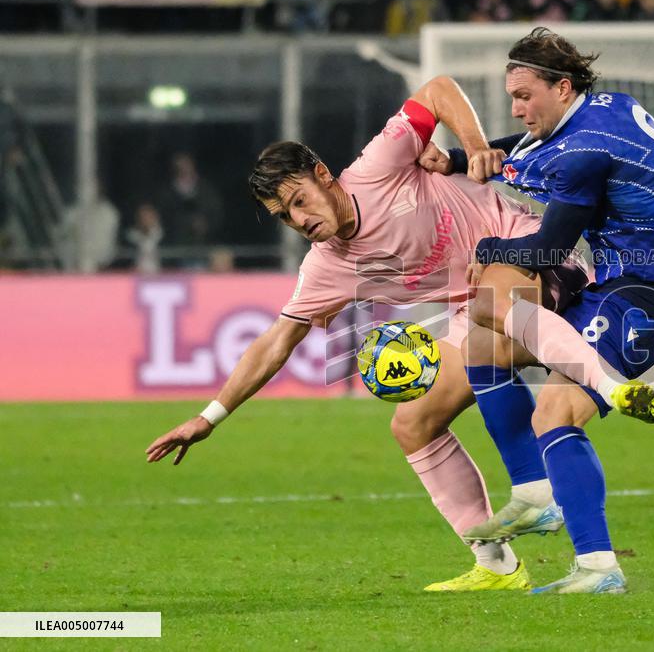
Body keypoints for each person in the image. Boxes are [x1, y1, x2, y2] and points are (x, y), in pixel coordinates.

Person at [144, 75, 594, 593]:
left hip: (535, 256)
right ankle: (496, 567)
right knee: (413, 424)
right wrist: (209, 417)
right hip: (480, 312)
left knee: (484, 328)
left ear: (321, 174)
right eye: (284, 217)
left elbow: (438, 89)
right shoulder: (326, 268)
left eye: (298, 201)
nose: (298, 220)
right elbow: (275, 342)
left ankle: (536, 490)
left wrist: (474, 148)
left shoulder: (379, 165)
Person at [426, 28, 654, 594]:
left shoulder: (584, 152)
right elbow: (531, 149)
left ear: (562, 86)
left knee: (555, 412)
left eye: (525, 96)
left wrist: (486, 250)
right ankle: (533, 493)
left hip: (649, 299)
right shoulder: (604, 108)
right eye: (512, 95)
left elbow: (546, 250)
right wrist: (457, 157)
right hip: (616, 286)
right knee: (485, 342)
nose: (516, 107)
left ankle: (599, 568)